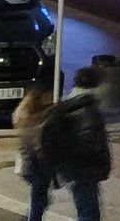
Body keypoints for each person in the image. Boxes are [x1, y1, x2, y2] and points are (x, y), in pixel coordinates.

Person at [41, 66, 112, 221]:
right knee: (88, 212)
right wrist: (102, 166)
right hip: (84, 168)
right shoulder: (89, 109)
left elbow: (48, 139)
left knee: (86, 208)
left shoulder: (66, 106)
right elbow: (95, 143)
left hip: (71, 168)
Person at [13, 85, 57, 221]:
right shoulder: (39, 122)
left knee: (40, 199)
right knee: (38, 200)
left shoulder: (28, 119)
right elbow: (38, 149)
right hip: (36, 167)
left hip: (31, 166)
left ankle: (27, 218)